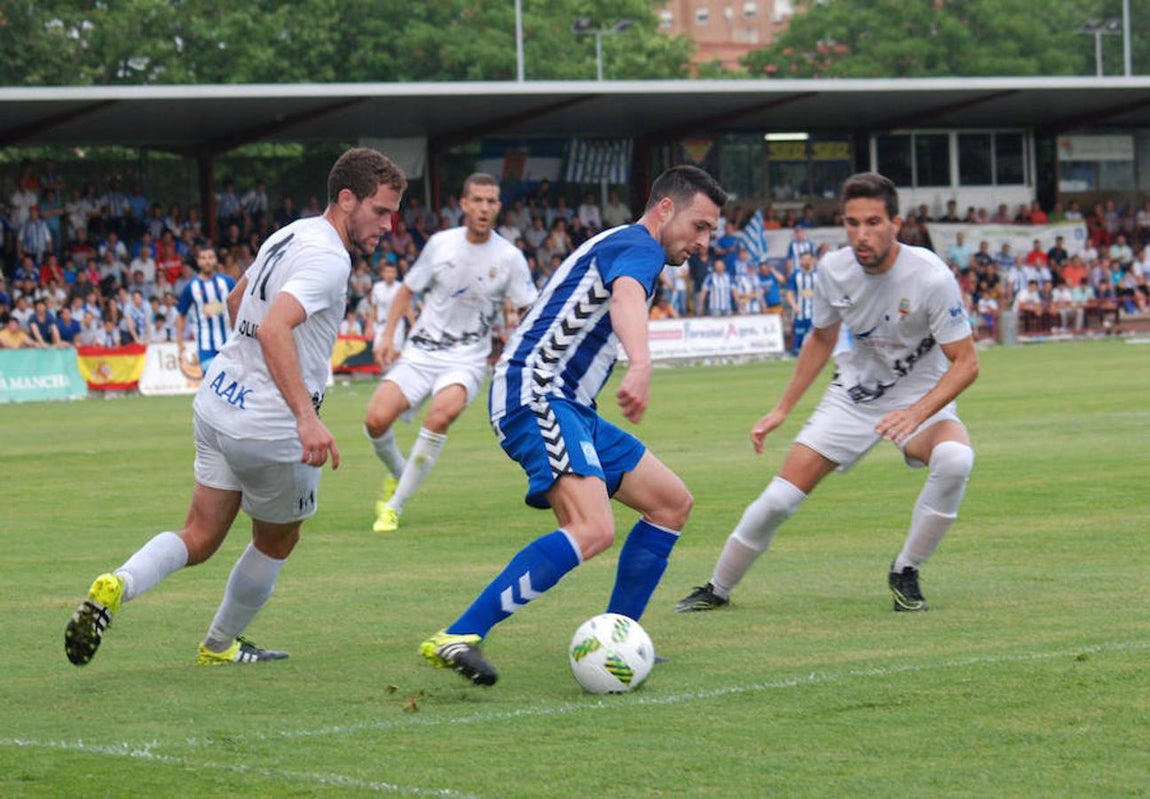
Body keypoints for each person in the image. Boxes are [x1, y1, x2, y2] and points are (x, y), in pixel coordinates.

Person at [63, 147, 407, 669]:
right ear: (346, 198)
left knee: (199, 535)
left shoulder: (290, 232)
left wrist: (247, 369)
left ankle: (118, 583)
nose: (388, 224)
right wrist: (306, 417)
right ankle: (219, 644)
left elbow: (235, 302)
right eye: (380, 211)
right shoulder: (331, 258)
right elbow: (273, 328)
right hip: (270, 426)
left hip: (218, 402)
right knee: (278, 539)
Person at [419, 165, 727, 686]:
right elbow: (626, 294)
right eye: (700, 226)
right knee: (593, 527)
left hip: (572, 406)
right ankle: (459, 634)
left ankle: (618, 637)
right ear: (665, 209)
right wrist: (641, 363)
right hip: (537, 393)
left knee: (670, 503)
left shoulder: (627, 244)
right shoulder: (641, 246)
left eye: (711, 232)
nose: (703, 242)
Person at [675, 171, 977, 616]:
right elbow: (820, 339)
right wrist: (781, 409)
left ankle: (905, 570)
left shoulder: (932, 278)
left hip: (920, 399)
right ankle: (717, 588)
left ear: (896, 224)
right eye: (852, 223)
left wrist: (916, 414)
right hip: (853, 398)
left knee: (955, 459)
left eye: (873, 222)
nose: (861, 235)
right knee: (779, 499)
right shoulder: (834, 271)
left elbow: (966, 362)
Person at [363, 173, 538, 533]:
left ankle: (394, 506)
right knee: (375, 421)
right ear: (464, 205)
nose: (484, 208)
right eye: (478, 200)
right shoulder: (440, 244)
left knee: (439, 417)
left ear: (498, 207)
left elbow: (530, 310)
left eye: (491, 201)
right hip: (421, 352)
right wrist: (387, 338)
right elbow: (407, 290)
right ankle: (401, 473)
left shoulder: (510, 258)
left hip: (467, 359)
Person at [175, 247, 237, 374]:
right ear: (198, 262)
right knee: (210, 379)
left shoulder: (228, 282)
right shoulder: (191, 287)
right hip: (205, 343)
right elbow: (181, 315)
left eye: (210, 257)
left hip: (229, 341)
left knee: (231, 379)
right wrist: (180, 342)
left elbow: (239, 305)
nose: (207, 261)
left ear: (215, 260)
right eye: (203, 258)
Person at [786, 251, 817, 356]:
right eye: (804, 259)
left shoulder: (817, 274)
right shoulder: (796, 275)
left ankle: (812, 355)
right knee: (799, 335)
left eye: (809, 259)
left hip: (814, 311)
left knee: (813, 336)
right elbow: (789, 293)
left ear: (812, 260)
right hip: (800, 311)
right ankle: (796, 353)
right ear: (800, 261)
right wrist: (794, 306)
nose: (806, 261)